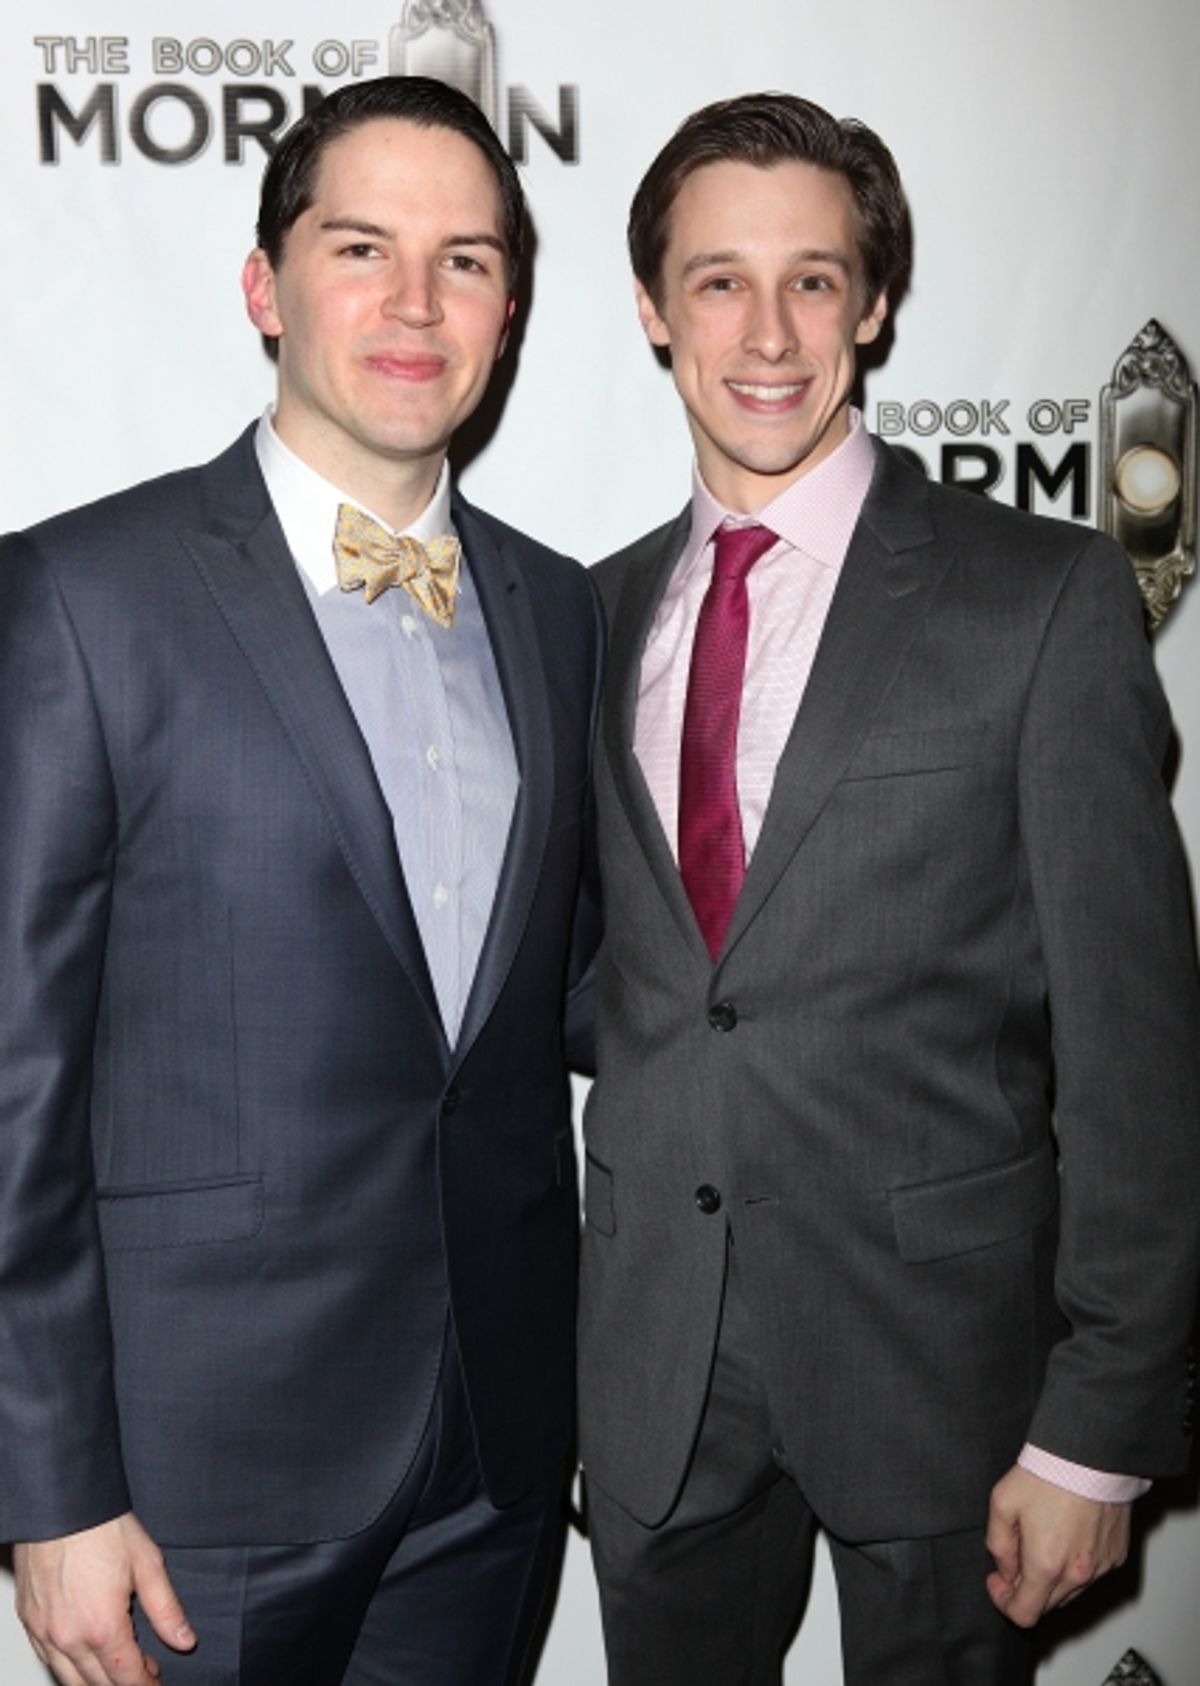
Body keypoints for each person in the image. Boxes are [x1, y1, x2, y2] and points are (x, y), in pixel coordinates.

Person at [578, 91, 1200, 1685]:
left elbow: (1140, 1049)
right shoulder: (584, 618)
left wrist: (1102, 1428)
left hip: (949, 1385)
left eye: (813, 276)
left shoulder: (1043, 600)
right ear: (653, 308)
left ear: (872, 300)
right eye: (718, 278)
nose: (768, 328)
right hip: (656, 1374)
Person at [0, 74, 601, 1686]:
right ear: (265, 287)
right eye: (361, 248)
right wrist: (48, 1484)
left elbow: (588, 999)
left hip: (492, 1453)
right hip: (195, 1483)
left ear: (511, 307)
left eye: (466, 259)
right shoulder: (77, 597)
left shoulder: (560, 613)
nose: (416, 304)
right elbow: (13, 1077)